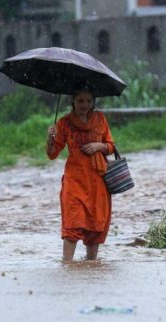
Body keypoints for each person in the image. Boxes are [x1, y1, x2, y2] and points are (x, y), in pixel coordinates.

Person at [46, 88, 115, 262]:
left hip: (97, 182)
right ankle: (67, 265)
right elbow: (52, 154)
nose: (85, 105)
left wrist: (97, 146)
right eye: (80, 101)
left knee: (95, 226)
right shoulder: (64, 123)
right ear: (73, 101)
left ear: (93, 102)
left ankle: (91, 266)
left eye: (88, 101)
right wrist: (50, 138)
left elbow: (111, 146)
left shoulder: (100, 119)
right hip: (74, 180)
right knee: (72, 223)